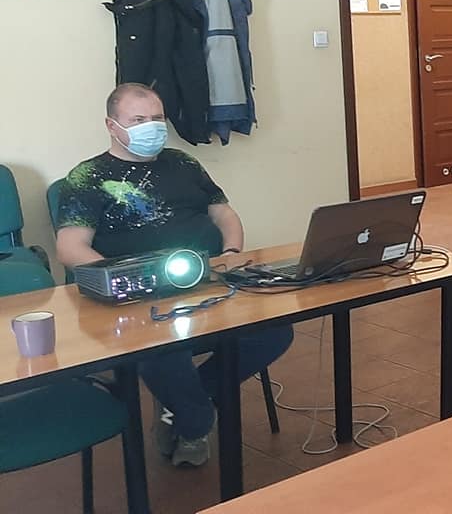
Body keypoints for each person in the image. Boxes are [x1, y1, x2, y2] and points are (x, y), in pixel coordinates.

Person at [55, 83, 294, 468]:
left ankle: (188, 402)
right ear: (112, 125)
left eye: (156, 118)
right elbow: (70, 248)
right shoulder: (88, 176)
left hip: (208, 283)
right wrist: (122, 281)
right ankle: (195, 421)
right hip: (140, 298)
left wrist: (232, 253)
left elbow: (224, 214)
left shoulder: (183, 164)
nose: (150, 127)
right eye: (138, 119)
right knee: (163, 354)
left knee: (275, 331)